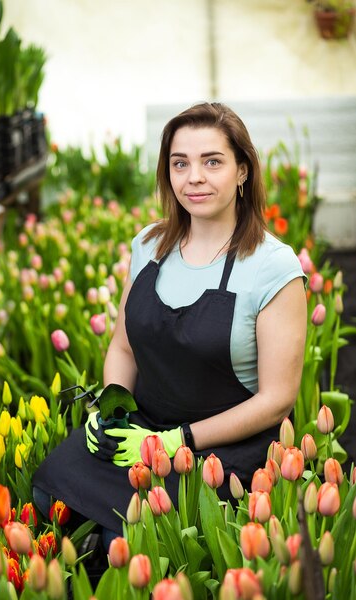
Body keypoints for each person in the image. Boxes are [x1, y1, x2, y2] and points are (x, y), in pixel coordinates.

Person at [33, 102, 307, 546]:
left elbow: (277, 400)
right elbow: (123, 348)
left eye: (212, 162)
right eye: (180, 163)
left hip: (224, 448)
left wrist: (177, 440)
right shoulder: (150, 245)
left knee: (123, 532)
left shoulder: (272, 266)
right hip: (144, 428)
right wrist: (113, 411)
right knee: (47, 492)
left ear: (242, 171)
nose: (193, 177)